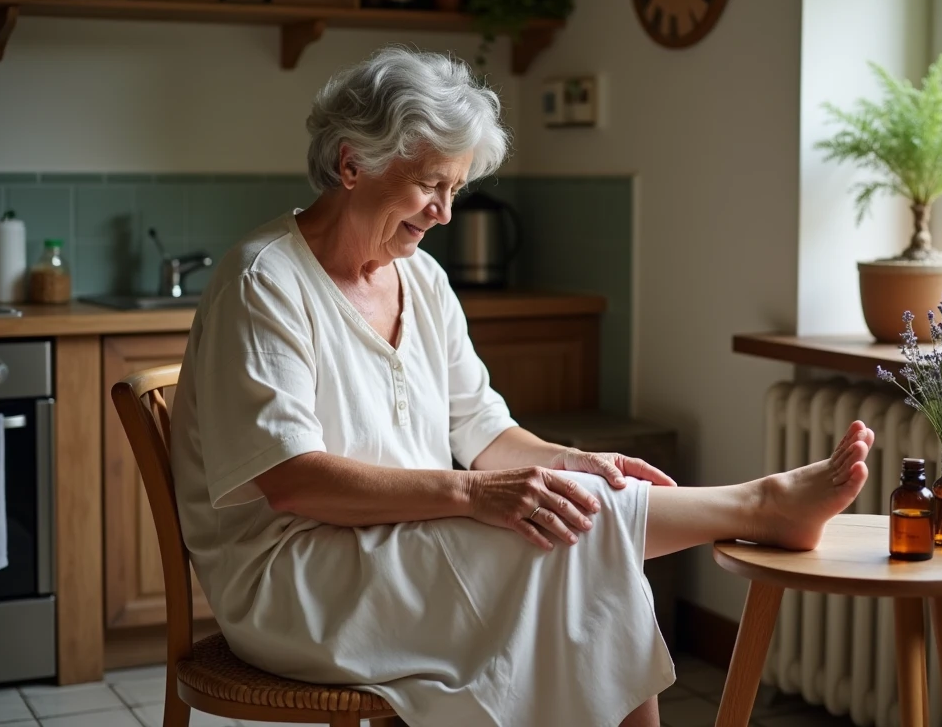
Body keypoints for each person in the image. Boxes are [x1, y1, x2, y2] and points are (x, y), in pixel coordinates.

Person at [169, 46, 874, 727]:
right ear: (352, 164)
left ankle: (760, 506)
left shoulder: (422, 279)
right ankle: (756, 505)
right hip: (294, 581)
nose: (445, 212)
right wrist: (475, 495)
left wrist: (571, 463)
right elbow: (293, 482)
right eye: (429, 184)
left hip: (398, 543)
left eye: (456, 188)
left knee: (575, 522)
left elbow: (482, 431)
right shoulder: (263, 281)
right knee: (572, 543)